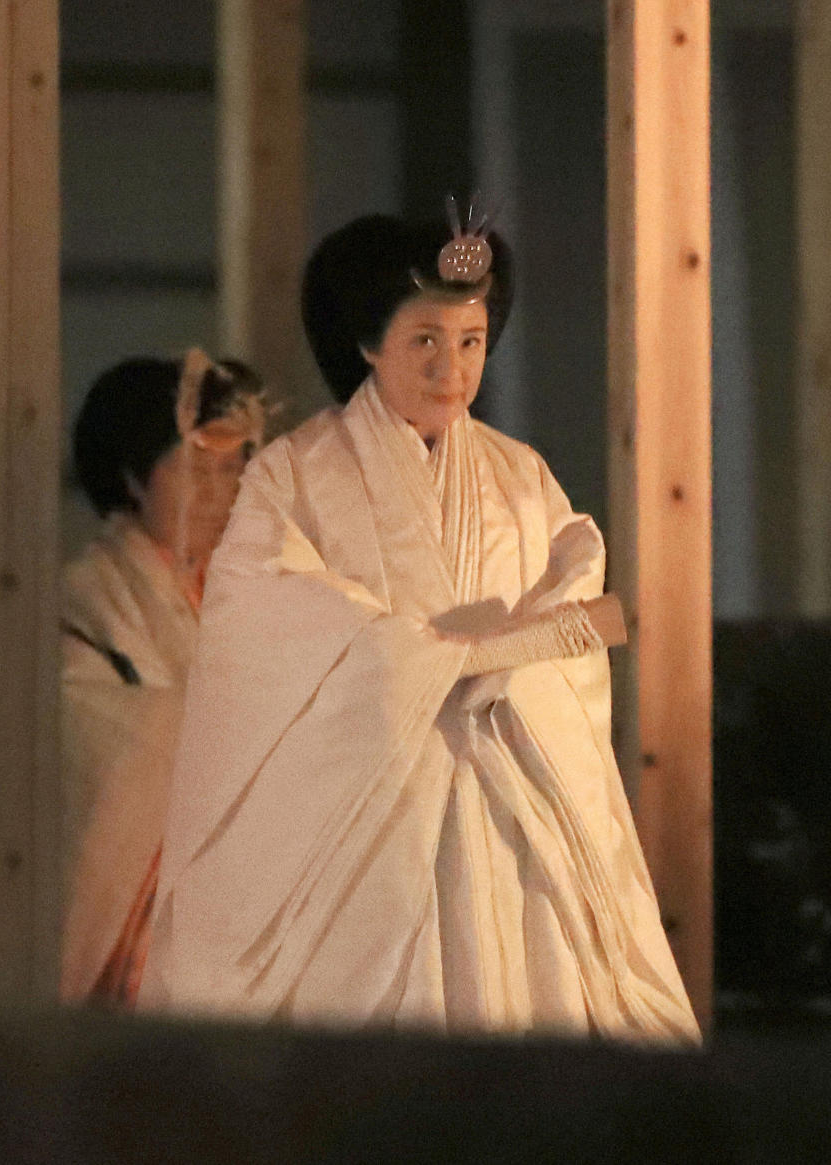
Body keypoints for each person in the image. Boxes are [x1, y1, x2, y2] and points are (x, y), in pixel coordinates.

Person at [139, 212, 699, 1043]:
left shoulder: (522, 477)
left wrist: (514, 662)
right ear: (369, 344)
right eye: (425, 340)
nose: (453, 367)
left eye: (471, 340)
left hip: (510, 788)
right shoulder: (292, 477)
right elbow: (265, 620)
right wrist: (423, 661)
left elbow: (572, 594)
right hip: (366, 809)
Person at [60, 350, 264, 1004]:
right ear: (135, 478)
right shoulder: (88, 602)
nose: (220, 490)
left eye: (232, 467)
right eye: (196, 468)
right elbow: (86, 738)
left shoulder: (248, 588)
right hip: (147, 914)